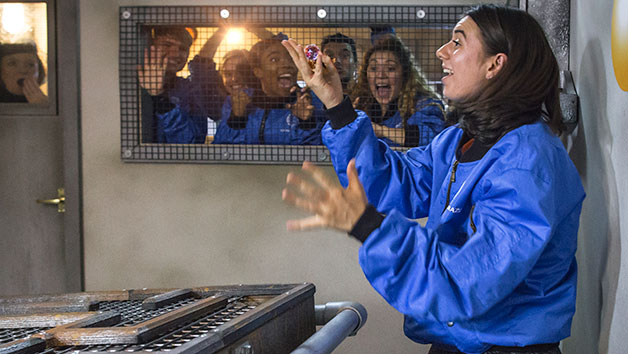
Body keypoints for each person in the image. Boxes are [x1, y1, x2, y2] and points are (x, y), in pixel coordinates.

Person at [281, 4, 584, 354]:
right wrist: (336, 103)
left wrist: (368, 225)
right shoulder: (459, 141)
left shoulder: (528, 163)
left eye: (457, 43)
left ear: (495, 65)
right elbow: (392, 184)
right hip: (456, 343)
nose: (442, 52)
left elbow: (465, 282)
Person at [213, 36, 325, 145]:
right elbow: (220, 151)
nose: (287, 64)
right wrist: (236, 118)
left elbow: (320, 154)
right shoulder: (239, 100)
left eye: (290, 58)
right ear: (258, 71)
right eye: (274, 59)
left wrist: (306, 123)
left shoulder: (310, 101)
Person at [351, 36, 445, 147]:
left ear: (404, 74)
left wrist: (381, 131)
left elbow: (431, 138)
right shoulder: (361, 104)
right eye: (374, 68)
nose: (380, 75)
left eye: (390, 68)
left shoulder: (424, 104)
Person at [138, 26, 221, 143]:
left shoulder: (189, 90)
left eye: (182, 49)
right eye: (167, 45)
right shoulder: (129, 81)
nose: (176, 54)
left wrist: (160, 98)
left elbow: (192, 143)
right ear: (149, 46)